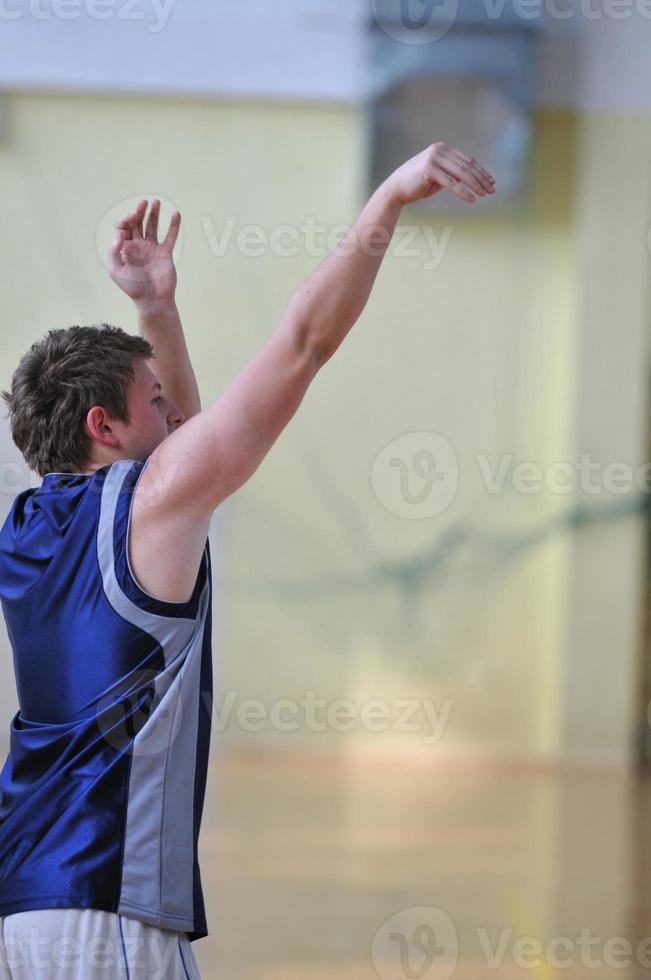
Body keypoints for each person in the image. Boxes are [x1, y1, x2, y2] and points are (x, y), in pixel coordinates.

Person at [0, 142, 495, 978]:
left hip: (20, 907)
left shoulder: (25, 525)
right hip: (107, 915)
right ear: (103, 428)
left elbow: (187, 449)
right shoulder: (149, 503)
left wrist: (157, 308)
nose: (177, 418)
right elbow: (303, 343)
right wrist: (385, 205)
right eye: (152, 403)